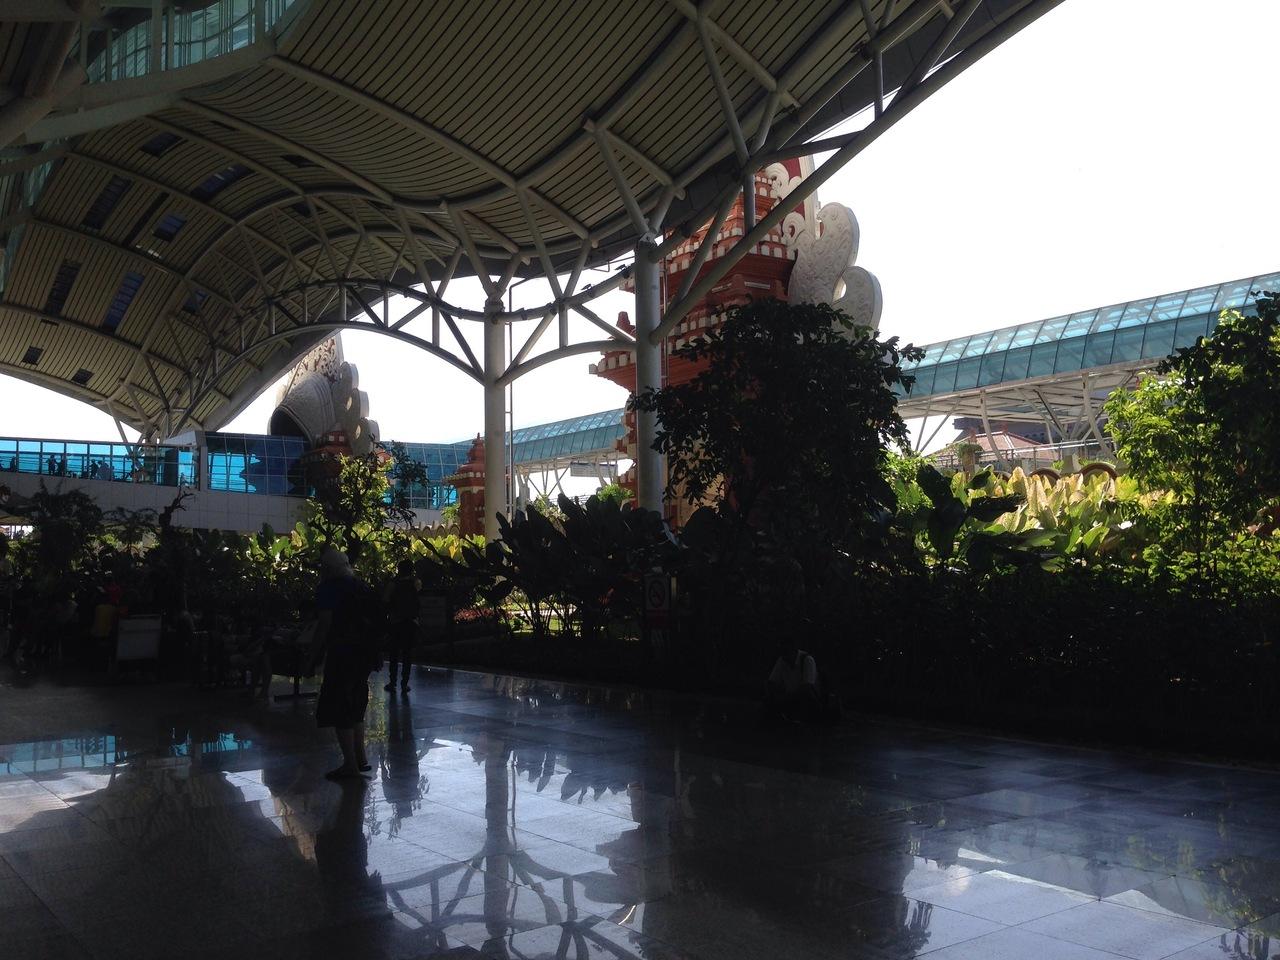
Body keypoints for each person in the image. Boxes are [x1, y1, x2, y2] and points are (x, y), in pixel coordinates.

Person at [310, 547, 382, 780]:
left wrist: (313, 654)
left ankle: (350, 763)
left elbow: (324, 624)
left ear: (327, 569)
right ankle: (360, 758)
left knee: (340, 705)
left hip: (342, 653)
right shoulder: (361, 586)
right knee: (356, 704)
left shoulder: (329, 589)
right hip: (365, 653)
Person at [383, 559, 420, 693]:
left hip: (396, 621)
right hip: (411, 622)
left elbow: (385, 600)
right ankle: (405, 683)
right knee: (407, 654)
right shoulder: (415, 583)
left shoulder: (393, 584)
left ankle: (392, 682)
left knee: (394, 653)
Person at [765, 637, 821, 722]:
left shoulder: (807, 660)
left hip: (808, 701)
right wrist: (774, 694)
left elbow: (807, 688)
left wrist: (784, 697)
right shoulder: (782, 660)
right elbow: (772, 682)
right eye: (782, 650)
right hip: (790, 699)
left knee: (803, 700)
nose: (784, 653)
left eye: (786, 650)